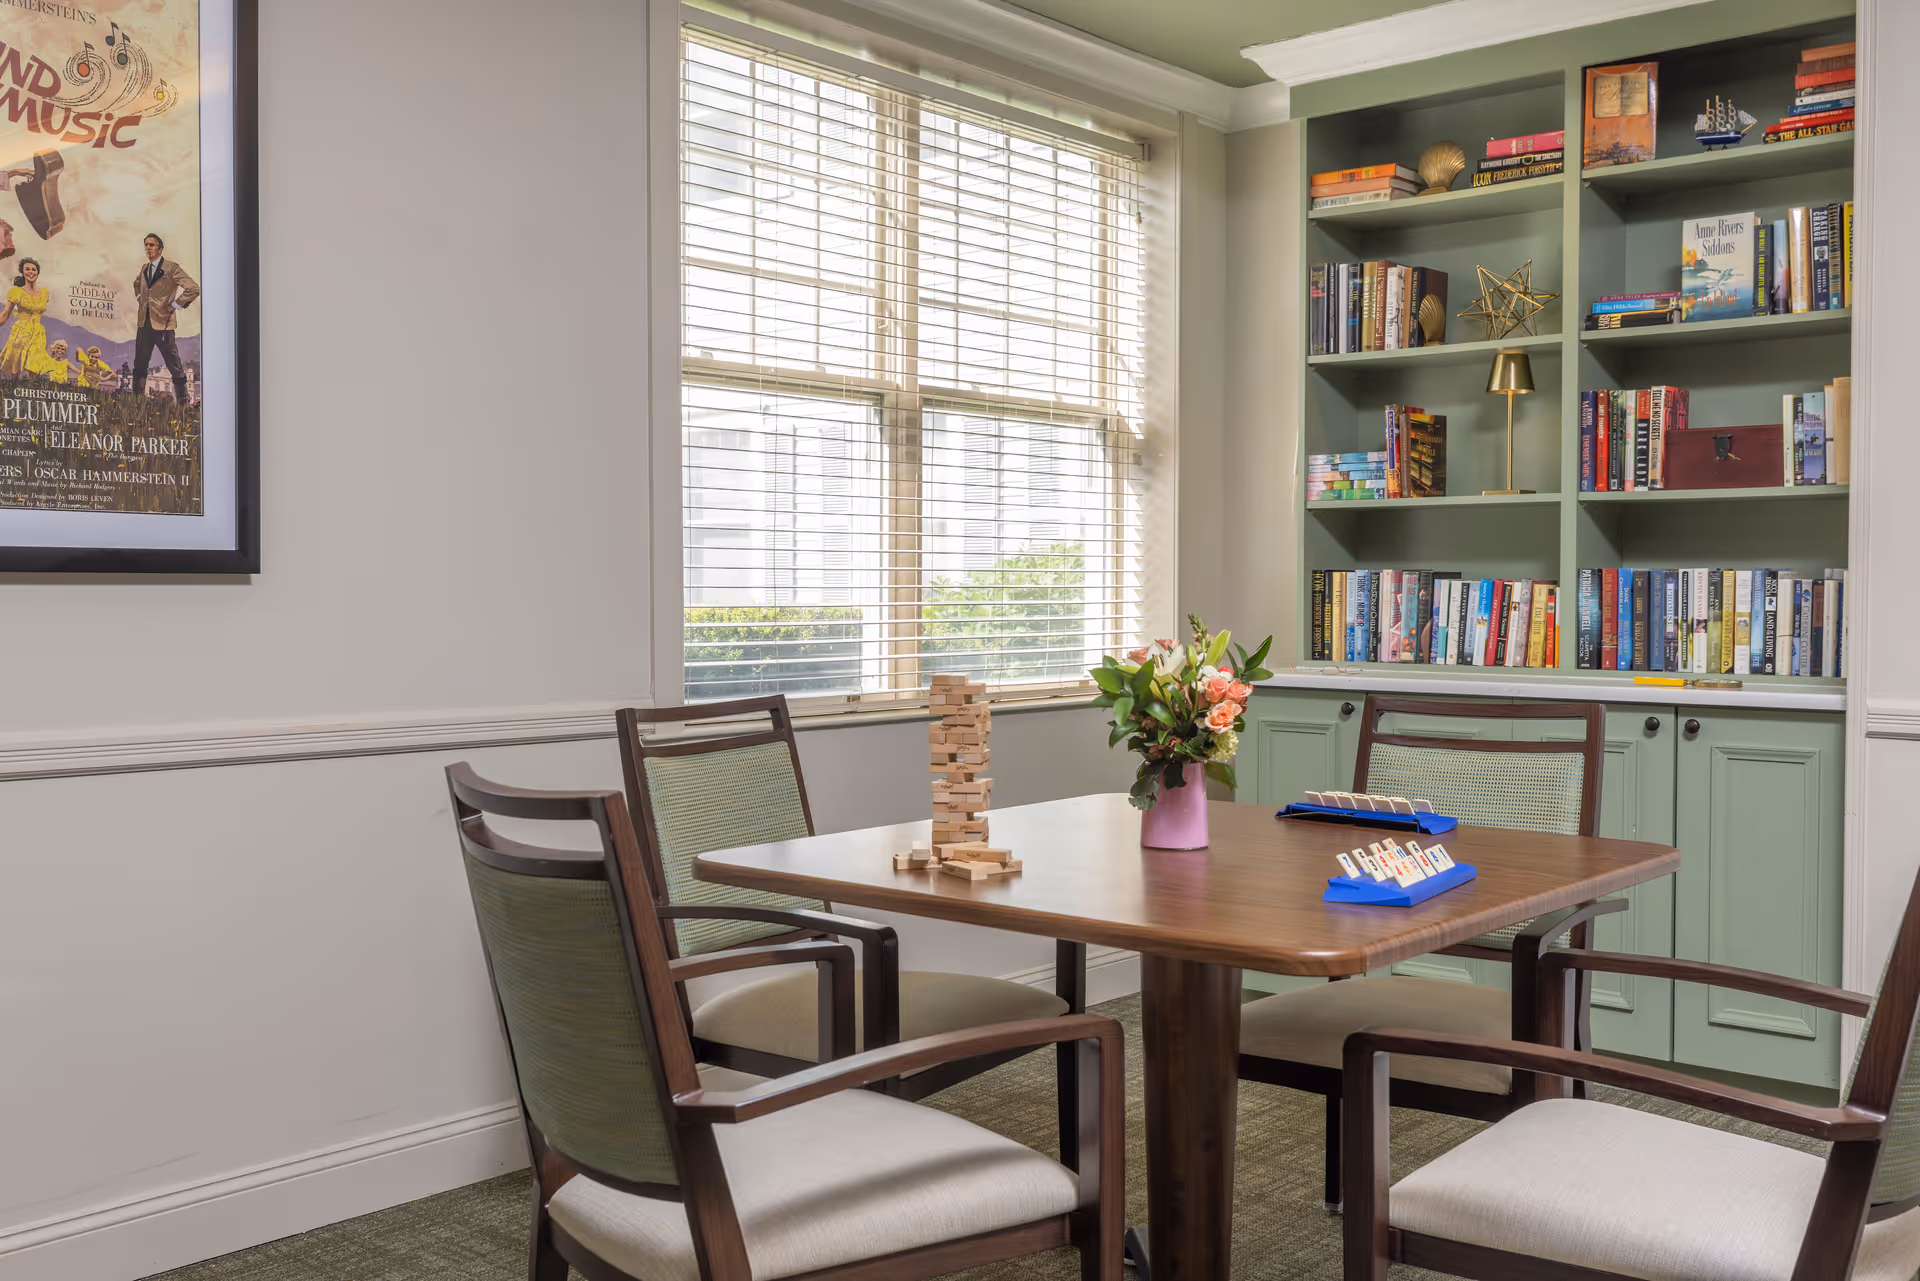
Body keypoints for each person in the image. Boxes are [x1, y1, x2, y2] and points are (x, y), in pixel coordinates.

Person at [131, 232, 198, 404]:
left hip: (164, 325)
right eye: (146, 244)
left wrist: (176, 305)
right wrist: (140, 298)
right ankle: (137, 401)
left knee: (174, 365)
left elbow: (193, 288)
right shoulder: (145, 268)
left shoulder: (172, 267)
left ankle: (183, 402)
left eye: (152, 245)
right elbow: (137, 283)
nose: (148, 248)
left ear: (160, 249)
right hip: (143, 323)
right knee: (140, 364)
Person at [0, 257, 54, 379]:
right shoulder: (16, 292)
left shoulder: (44, 293)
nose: (31, 272)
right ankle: (12, 387)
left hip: (38, 333)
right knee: (16, 363)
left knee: (34, 363)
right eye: (27, 269)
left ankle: (31, 388)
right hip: (21, 332)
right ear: (23, 272)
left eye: (33, 269)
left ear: (37, 272)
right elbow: (4, 314)